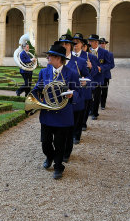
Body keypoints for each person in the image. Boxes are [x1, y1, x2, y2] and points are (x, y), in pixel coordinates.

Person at [33, 44, 80, 179]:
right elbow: (38, 88)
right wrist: (34, 96)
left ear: (58, 58)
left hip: (63, 115)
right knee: (46, 143)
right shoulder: (44, 72)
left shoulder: (71, 73)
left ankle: (58, 167)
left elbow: (78, 92)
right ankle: (49, 156)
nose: (47, 57)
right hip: (47, 113)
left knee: (60, 144)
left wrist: (72, 95)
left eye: (50, 55)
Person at [54, 34, 89, 162]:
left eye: (66, 44)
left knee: (69, 130)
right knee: (58, 129)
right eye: (62, 44)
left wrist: (85, 82)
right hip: (58, 102)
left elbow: (87, 77)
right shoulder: (54, 61)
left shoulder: (79, 61)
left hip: (73, 101)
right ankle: (57, 151)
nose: (64, 46)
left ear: (71, 46)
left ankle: (66, 153)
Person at [73, 33, 99, 133]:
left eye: (77, 42)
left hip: (85, 88)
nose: (75, 44)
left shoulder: (89, 56)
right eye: (73, 42)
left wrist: (91, 67)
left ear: (82, 44)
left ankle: (82, 124)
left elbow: (96, 72)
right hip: (73, 87)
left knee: (84, 110)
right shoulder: (68, 56)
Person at [88, 34, 112, 120]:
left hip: (98, 77)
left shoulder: (104, 52)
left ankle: (95, 113)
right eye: (89, 41)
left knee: (97, 95)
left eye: (91, 41)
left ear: (96, 42)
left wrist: (101, 68)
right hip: (89, 76)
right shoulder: (87, 52)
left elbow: (110, 64)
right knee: (88, 95)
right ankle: (90, 110)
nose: (90, 43)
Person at [99, 38, 115, 110]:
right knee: (96, 91)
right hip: (97, 75)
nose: (102, 44)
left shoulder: (109, 54)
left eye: (103, 43)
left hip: (105, 75)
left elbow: (112, 65)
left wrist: (103, 68)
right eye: (100, 43)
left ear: (105, 44)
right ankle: (97, 102)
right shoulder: (94, 54)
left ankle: (103, 104)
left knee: (104, 90)